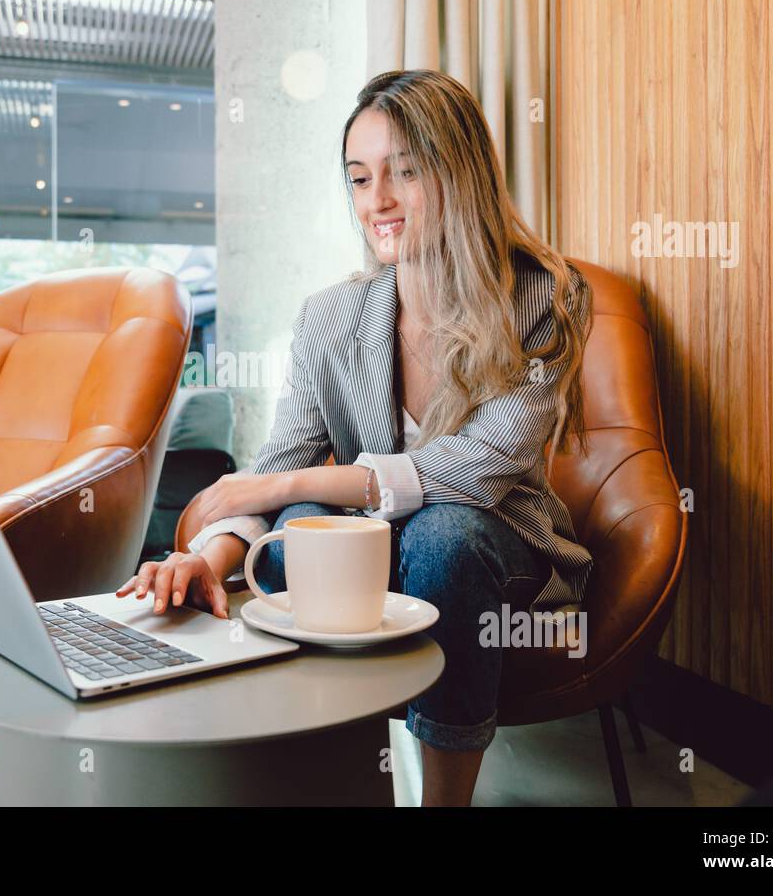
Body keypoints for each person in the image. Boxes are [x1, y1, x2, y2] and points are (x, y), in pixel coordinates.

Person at [118, 68, 594, 806]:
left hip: (497, 544)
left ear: (459, 173)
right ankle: (331, 779)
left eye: (406, 172)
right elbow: (282, 466)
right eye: (361, 177)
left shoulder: (544, 298)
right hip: (374, 551)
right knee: (298, 535)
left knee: (444, 534)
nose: (378, 201)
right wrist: (209, 556)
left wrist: (289, 486)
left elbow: (482, 467)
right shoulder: (330, 317)